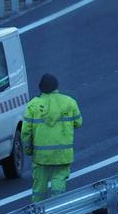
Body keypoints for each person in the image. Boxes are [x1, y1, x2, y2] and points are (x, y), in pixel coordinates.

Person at [22, 73, 82, 202]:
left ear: (41, 88)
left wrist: (28, 149)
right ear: (56, 86)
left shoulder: (33, 105)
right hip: (63, 153)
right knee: (59, 179)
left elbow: (26, 131)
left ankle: (37, 210)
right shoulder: (69, 102)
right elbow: (78, 122)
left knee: (39, 185)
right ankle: (56, 208)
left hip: (41, 155)